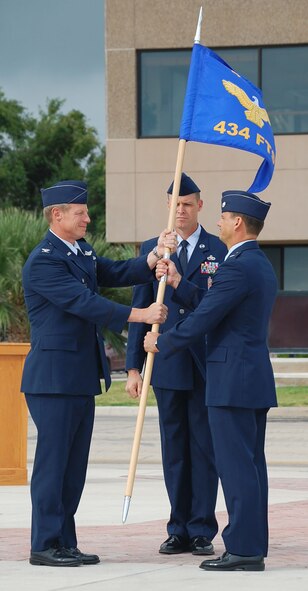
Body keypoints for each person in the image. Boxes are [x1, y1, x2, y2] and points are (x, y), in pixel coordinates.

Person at [21, 180, 176, 567]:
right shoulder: (44, 260)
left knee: (72, 469)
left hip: (79, 376)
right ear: (57, 215)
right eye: (80, 212)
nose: (88, 218)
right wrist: (140, 315)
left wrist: (154, 255)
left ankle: (64, 541)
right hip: (53, 379)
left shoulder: (81, 250)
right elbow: (83, 302)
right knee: (53, 465)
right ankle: (44, 544)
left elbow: (115, 272)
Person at [144, 189, 278, 572]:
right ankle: (251, 544)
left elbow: (205, 318)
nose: (218, 222)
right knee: (250, 467)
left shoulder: (237, 265)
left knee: (237, 468)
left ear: (237, 222)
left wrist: (162, 342)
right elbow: (211, 302)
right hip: (249, 379)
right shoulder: (256, 262)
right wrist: (178, 284)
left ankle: (244, 550)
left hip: (231, 380)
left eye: (223, 217)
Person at [125, 173, 226, 556]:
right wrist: (133, 367)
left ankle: (202, 528)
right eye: (175, 204)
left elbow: (214, 307)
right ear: (168, 206)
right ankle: (178, 528)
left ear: (200, 206)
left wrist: (181, 281)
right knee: (174, 450)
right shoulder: (153, 249)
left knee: (204, 448)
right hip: (164, 364)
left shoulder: (217, 249)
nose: (181, 210)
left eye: (188, 204)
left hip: (203, 362)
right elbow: (141, 309)